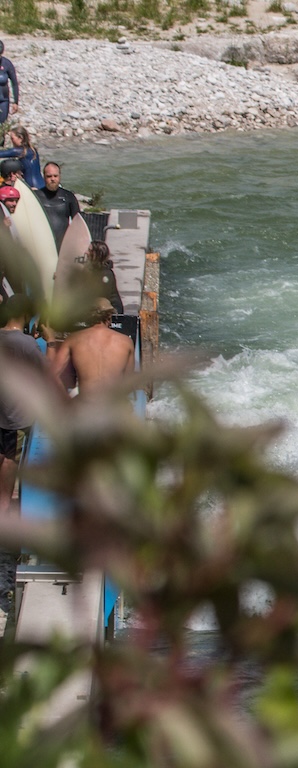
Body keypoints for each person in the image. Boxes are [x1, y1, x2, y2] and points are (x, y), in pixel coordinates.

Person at [0, 296, 50, 512]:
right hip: (15, 415)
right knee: (10, 461)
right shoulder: (27, 344)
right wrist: (51, 341)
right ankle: (3, 508)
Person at [48, 299, 134, 398]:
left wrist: (66, 399)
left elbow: (53, 374)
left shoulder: (74, 339)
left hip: (86, 402)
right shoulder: (126, 342)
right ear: (109, 316)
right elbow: (129, 382)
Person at [35, 161, 80, 250]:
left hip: (63, 247)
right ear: (44, 177)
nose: (52, 179)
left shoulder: (68, 196)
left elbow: (78, 223)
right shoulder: (36, 196)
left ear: (60, 176)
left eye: (55, 176)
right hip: (41, 246)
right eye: (49, 176)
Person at [77, 240, 124, 315]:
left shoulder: (106, 275)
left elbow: (100, 299)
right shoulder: (90, 270)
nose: (86, 252)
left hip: (110, 313)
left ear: (97, 254)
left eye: (89, 250)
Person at [0, 126, 42, 190]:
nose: (11, 141)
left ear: (20, 138)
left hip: (33, 187)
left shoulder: (19, 151)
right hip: (42, 185)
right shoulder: (33, 150)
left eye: (12, 138)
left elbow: (2, 154)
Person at [0, 41, 18, 126]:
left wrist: (15, 102)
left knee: (2, 125)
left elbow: (14, 83)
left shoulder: (7, 64)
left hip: (3, 100)